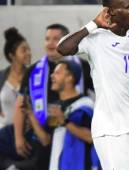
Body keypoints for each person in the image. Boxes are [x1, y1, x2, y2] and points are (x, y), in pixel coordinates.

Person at [57, 0, 129, 169]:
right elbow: (63, 48)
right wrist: (93, 24)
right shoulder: (96, 39)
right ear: (111, 12)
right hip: (110, 130)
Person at [13, 23, 94, 160]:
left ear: (67, 41)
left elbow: (99, 97)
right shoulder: (33, 70)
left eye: (56, 39)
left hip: (74, 136)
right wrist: (18, 137)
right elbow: (21, 104)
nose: (50, 43)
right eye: (47, 39)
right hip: (41, 137)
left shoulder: (83, 67)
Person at [48, 60, 100, 170]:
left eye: (57, 73)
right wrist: (31, 116)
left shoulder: (86, 105)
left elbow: (92, 137)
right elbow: (46, 140)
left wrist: (65, 122)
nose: (52, 76)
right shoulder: (55, 107)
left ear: (69, 77)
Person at [0, 27, 31, 129]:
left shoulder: (33, 76)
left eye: (29, 49)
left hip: (27, 133)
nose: (28, 53)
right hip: (4, 134)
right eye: (24, 50)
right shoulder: (1, 77)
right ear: (12, 55)